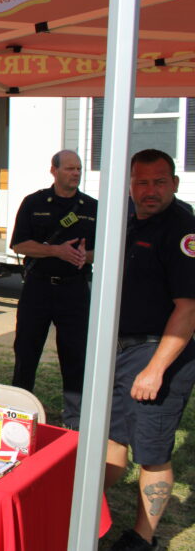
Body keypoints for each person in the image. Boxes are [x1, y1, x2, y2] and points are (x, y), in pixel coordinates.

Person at [105, 149, 195, 551]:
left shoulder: (182, 230)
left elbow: (189, 307)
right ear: (131, 184)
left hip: (160, 353)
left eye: (160, 182)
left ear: (174, 183)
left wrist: (156, 369)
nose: (150, 190)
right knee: (110, 436)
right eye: (142, 182)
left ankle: (142, 538)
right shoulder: (126, 220)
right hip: (120, 350)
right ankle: (90, 508)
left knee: (152, 449)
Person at [9, 149, 96, 430]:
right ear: (54, 171)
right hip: (39, 289)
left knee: (75, 355)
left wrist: (85, 255)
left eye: (79, 169)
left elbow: (107, 247)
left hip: (75, 291)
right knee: (26, 350)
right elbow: (20, 245)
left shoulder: (92, 207)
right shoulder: (34, 203)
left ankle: (75, 422)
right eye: (70, 168)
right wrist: (56, 251)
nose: (76, 173)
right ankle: (20, 411)